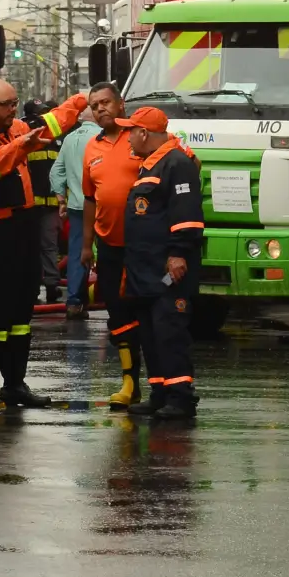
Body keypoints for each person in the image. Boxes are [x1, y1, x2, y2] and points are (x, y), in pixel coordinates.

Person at [0, 78, 88, 409]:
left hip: (23, 226)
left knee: (20, 313)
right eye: (7, 104)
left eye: (16, 102)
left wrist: (83, 100)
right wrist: (22, 146)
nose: (13, 109)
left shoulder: (15, 128)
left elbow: (54, 121)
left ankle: (14, 385)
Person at [117, 106, 204, 421]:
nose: (126, 138)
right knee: (151, 333)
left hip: (168, 271)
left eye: (130, 131)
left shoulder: (176, 164)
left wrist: (178, 253)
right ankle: (160, 392)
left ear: (142, 133)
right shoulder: (150, 164)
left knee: (170, 330)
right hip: (146, 270)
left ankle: (181, 398)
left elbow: (187, 214)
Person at [78, 84, 146, 408]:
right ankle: (129, 382)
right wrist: (85, 245)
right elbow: (90, 199)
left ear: (121, 104)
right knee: (118, 315)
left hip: (143, 245)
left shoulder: (140, 137)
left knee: (147, 312)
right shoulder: (92, 147)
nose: (100, 109)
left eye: (106, 102)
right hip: (108, 245)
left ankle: (163, 383)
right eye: (94, 105)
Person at [49, 91, 104, 319]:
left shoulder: (70, 139)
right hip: (102, 205)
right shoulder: (104, 136)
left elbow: (56, 172)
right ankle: (112, 297)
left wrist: (61, 198)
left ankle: (74, 301)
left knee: (76, 253)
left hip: (76, 207)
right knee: (108, 251)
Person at [21, 99, 65, 305]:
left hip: (46, 203)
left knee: (44, 246)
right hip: (35, 203)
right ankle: (39, 286)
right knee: (42, 246)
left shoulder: (54, 137)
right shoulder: (25, 135)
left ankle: (49, 286)